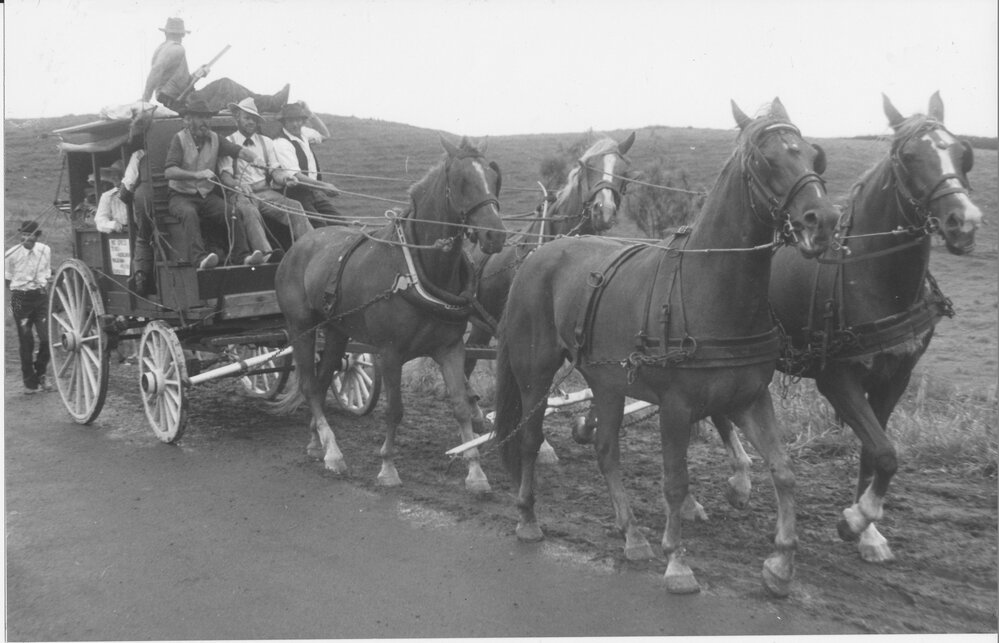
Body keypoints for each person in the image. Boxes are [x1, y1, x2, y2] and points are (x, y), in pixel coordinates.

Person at [163, 97, 261, 268]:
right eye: (200, 118)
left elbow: (237, 151)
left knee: (232, 213)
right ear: (189, 120)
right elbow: (169, 171)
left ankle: (243, 257)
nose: (205, 122)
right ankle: (200, 259)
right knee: (189, 213)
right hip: (180, 196)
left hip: (206, 196)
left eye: (207, 118)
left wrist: (256, 159)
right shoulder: (179, 139)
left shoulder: (215, 138)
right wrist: (197, 174)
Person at [219, 98, 313, 259]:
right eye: (247, 118)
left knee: (295, 206)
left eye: (254, 119)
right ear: (237, 118)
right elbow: (224, 176)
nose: (251, 122)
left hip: (265, 192)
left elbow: (275, 171)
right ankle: (265, 254)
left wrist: (285, 179)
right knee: (249, 211)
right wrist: (238, 185)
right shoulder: (228, 143)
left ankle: (313, 248)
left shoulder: (266, 142)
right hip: (240, 194)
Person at [142, 17, 290, 114]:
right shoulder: (176, 48)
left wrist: (196, 75)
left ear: (166, 32)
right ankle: (272, 103)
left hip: (179, 100)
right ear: (182, 34)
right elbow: (157, 70)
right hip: (181, 103)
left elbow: (174, 81)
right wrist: (144, 100)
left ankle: (270, 102)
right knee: (226, 85)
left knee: (225, 88)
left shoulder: (162, 48)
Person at [272, 102, 343, 226]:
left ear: (303, 121)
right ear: (284, 122)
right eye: (291, 120)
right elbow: (296, 176)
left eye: (299, 120)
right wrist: (323, 186)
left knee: (340, 223)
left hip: (313, 192)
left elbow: (325, 134)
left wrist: (310, 113)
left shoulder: (303, 133)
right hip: (295, 194)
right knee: (319, 225)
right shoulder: (281, 143)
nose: (296, 124)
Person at [5, 221, 53, 394]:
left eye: (30, 235)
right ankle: (29, 382)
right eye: (23, 235)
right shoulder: (11, 254)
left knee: (46, 338)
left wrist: (42, 285)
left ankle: (41, 373)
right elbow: (7, 280)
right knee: (26, 341)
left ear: (37, 236)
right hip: (20, 299)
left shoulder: (45, 250)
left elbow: (47, 272)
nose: (26, 238)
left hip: (40, 297)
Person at [93, 161, 129, 233]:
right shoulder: (107, 196)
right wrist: (112, 225)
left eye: (116, 174)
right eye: (112, 174)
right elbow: (100, 220)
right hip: (120, 233)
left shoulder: (136, 193)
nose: (113, 177)